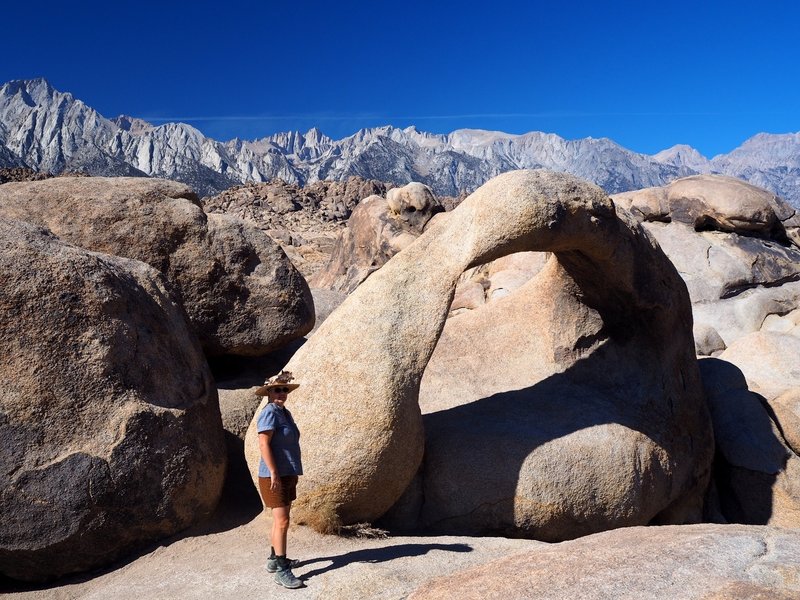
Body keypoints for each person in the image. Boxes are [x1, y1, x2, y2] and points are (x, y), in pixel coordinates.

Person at [255, 370, 303, 589]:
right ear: (268, 392)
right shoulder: (270, 412)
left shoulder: (285, 412)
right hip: (274, 475)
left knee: (280, 520)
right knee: (282, 521)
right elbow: (264, 444)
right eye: (277, 389)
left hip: (287, 472)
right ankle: (282, 570)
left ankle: (275, 560)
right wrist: (274, 471)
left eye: (284, 389)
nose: (281, 393)